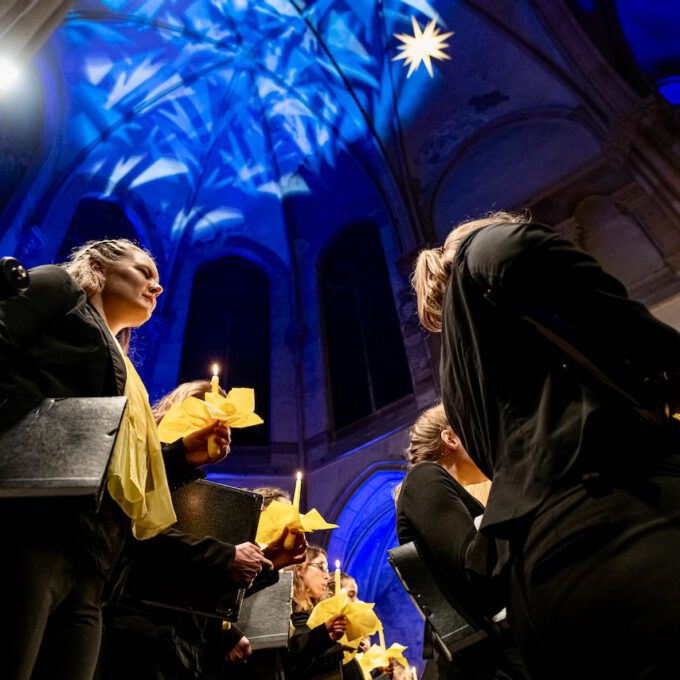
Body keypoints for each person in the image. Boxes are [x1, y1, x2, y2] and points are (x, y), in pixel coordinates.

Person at [411, 214, 680, 678]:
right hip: (615, 517)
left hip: (544, 579)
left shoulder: (456, 375)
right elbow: (621, 323)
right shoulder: (485, 248)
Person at [0, 239, 235, 680]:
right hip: (33, 526)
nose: (158, 286)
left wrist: (185, 454)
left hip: (93, 563)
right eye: (144, 270)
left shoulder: (131, 377)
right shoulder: (59, 289)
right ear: (101, 265)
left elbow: (119, 471)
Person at [397, 403, 526, 679]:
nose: (483, 440)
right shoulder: (424, 477)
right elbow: (477, 569)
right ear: (450, 437)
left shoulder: (446, 489)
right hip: (485, 664)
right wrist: (509, 473)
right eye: (474, 430)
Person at [284, 546, 349, 679]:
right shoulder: (285, 607)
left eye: (327, 569)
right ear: (299, 567)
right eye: (321, 566)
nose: (327, 576)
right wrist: (325, 635)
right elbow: (292, 656)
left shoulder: (316, 612)